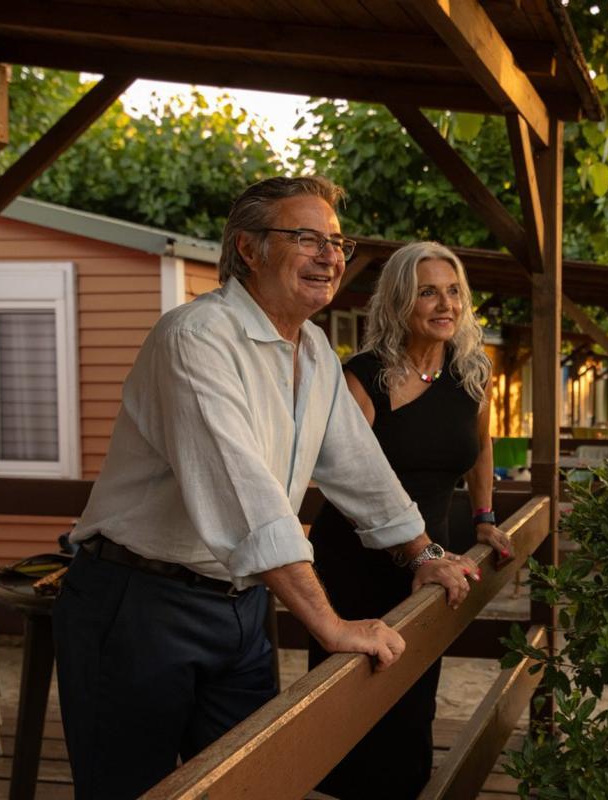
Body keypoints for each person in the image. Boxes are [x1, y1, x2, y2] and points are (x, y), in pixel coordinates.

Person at [53, 177, 479, 799]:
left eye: (336, 240)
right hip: (139, 604)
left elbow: (363, 471)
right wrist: (330, 626)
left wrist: (424, 553)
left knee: (251, 787)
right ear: (249, 249)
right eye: (306, 237)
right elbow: (247, 499)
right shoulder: (197, 337)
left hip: (242, 604)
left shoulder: (312, 351)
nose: (331, 254)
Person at [308, 241, 514, 799]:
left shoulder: (472, 372)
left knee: (412, 703)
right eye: (428, 292)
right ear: (400, 302)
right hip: (357, 558)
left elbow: (481, 446)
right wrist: (414, 550)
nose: (444, 304)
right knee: (349, 694)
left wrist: (484, 519)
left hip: (433, 556)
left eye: (453, 292)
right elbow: (346, 480)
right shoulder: (364, 377)